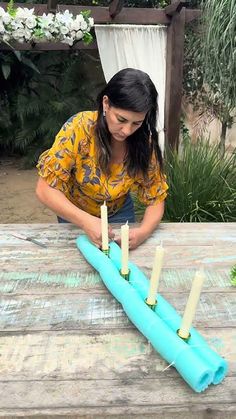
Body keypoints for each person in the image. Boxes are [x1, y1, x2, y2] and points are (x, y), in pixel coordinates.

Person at [36, 68, 168, 249]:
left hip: (119, 213)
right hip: (74, 214)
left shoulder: (144, 142)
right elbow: (45, 189)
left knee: (120, 266)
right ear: (106, 103)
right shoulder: (79, 129)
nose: (127, 131)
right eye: (121, 119)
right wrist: (85, 221)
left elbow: (156, 198)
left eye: (136, 123)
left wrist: (143, 232)